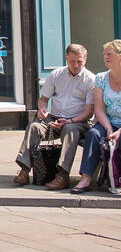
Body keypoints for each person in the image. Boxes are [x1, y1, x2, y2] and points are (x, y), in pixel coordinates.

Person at [13, 44, 95, 189]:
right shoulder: (57, 74)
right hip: (54, 117)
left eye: (79, 62)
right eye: (72, 61)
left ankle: (63, 175)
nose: (76, 65)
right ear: (66, 58)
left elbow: (89, 111)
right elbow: (43, 98)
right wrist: (43, 108)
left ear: (85, 60)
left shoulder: (90, 80)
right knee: (34, 127)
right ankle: (24, 170)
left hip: (78, 120)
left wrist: (70, 121)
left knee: (70, 130)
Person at [72, 39, 121, 193]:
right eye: (104, 54)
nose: (105, 57)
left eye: (109, 54)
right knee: (93, 133)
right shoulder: (101, 78)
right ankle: (86, 178)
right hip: (109, 121)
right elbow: (99, 109)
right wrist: (107, 128)